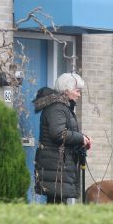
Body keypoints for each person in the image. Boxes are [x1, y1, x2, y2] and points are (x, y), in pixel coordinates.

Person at [33, 73, 92, 204]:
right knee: (56, 208)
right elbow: (59, 134)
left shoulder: (62, 107)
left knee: (57, 206)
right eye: (77, 91)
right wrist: (79, 137)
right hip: (55, 166)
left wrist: (81, 140)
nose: (79, 94)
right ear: (67, 90)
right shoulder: (57, 108)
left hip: (58, 165)